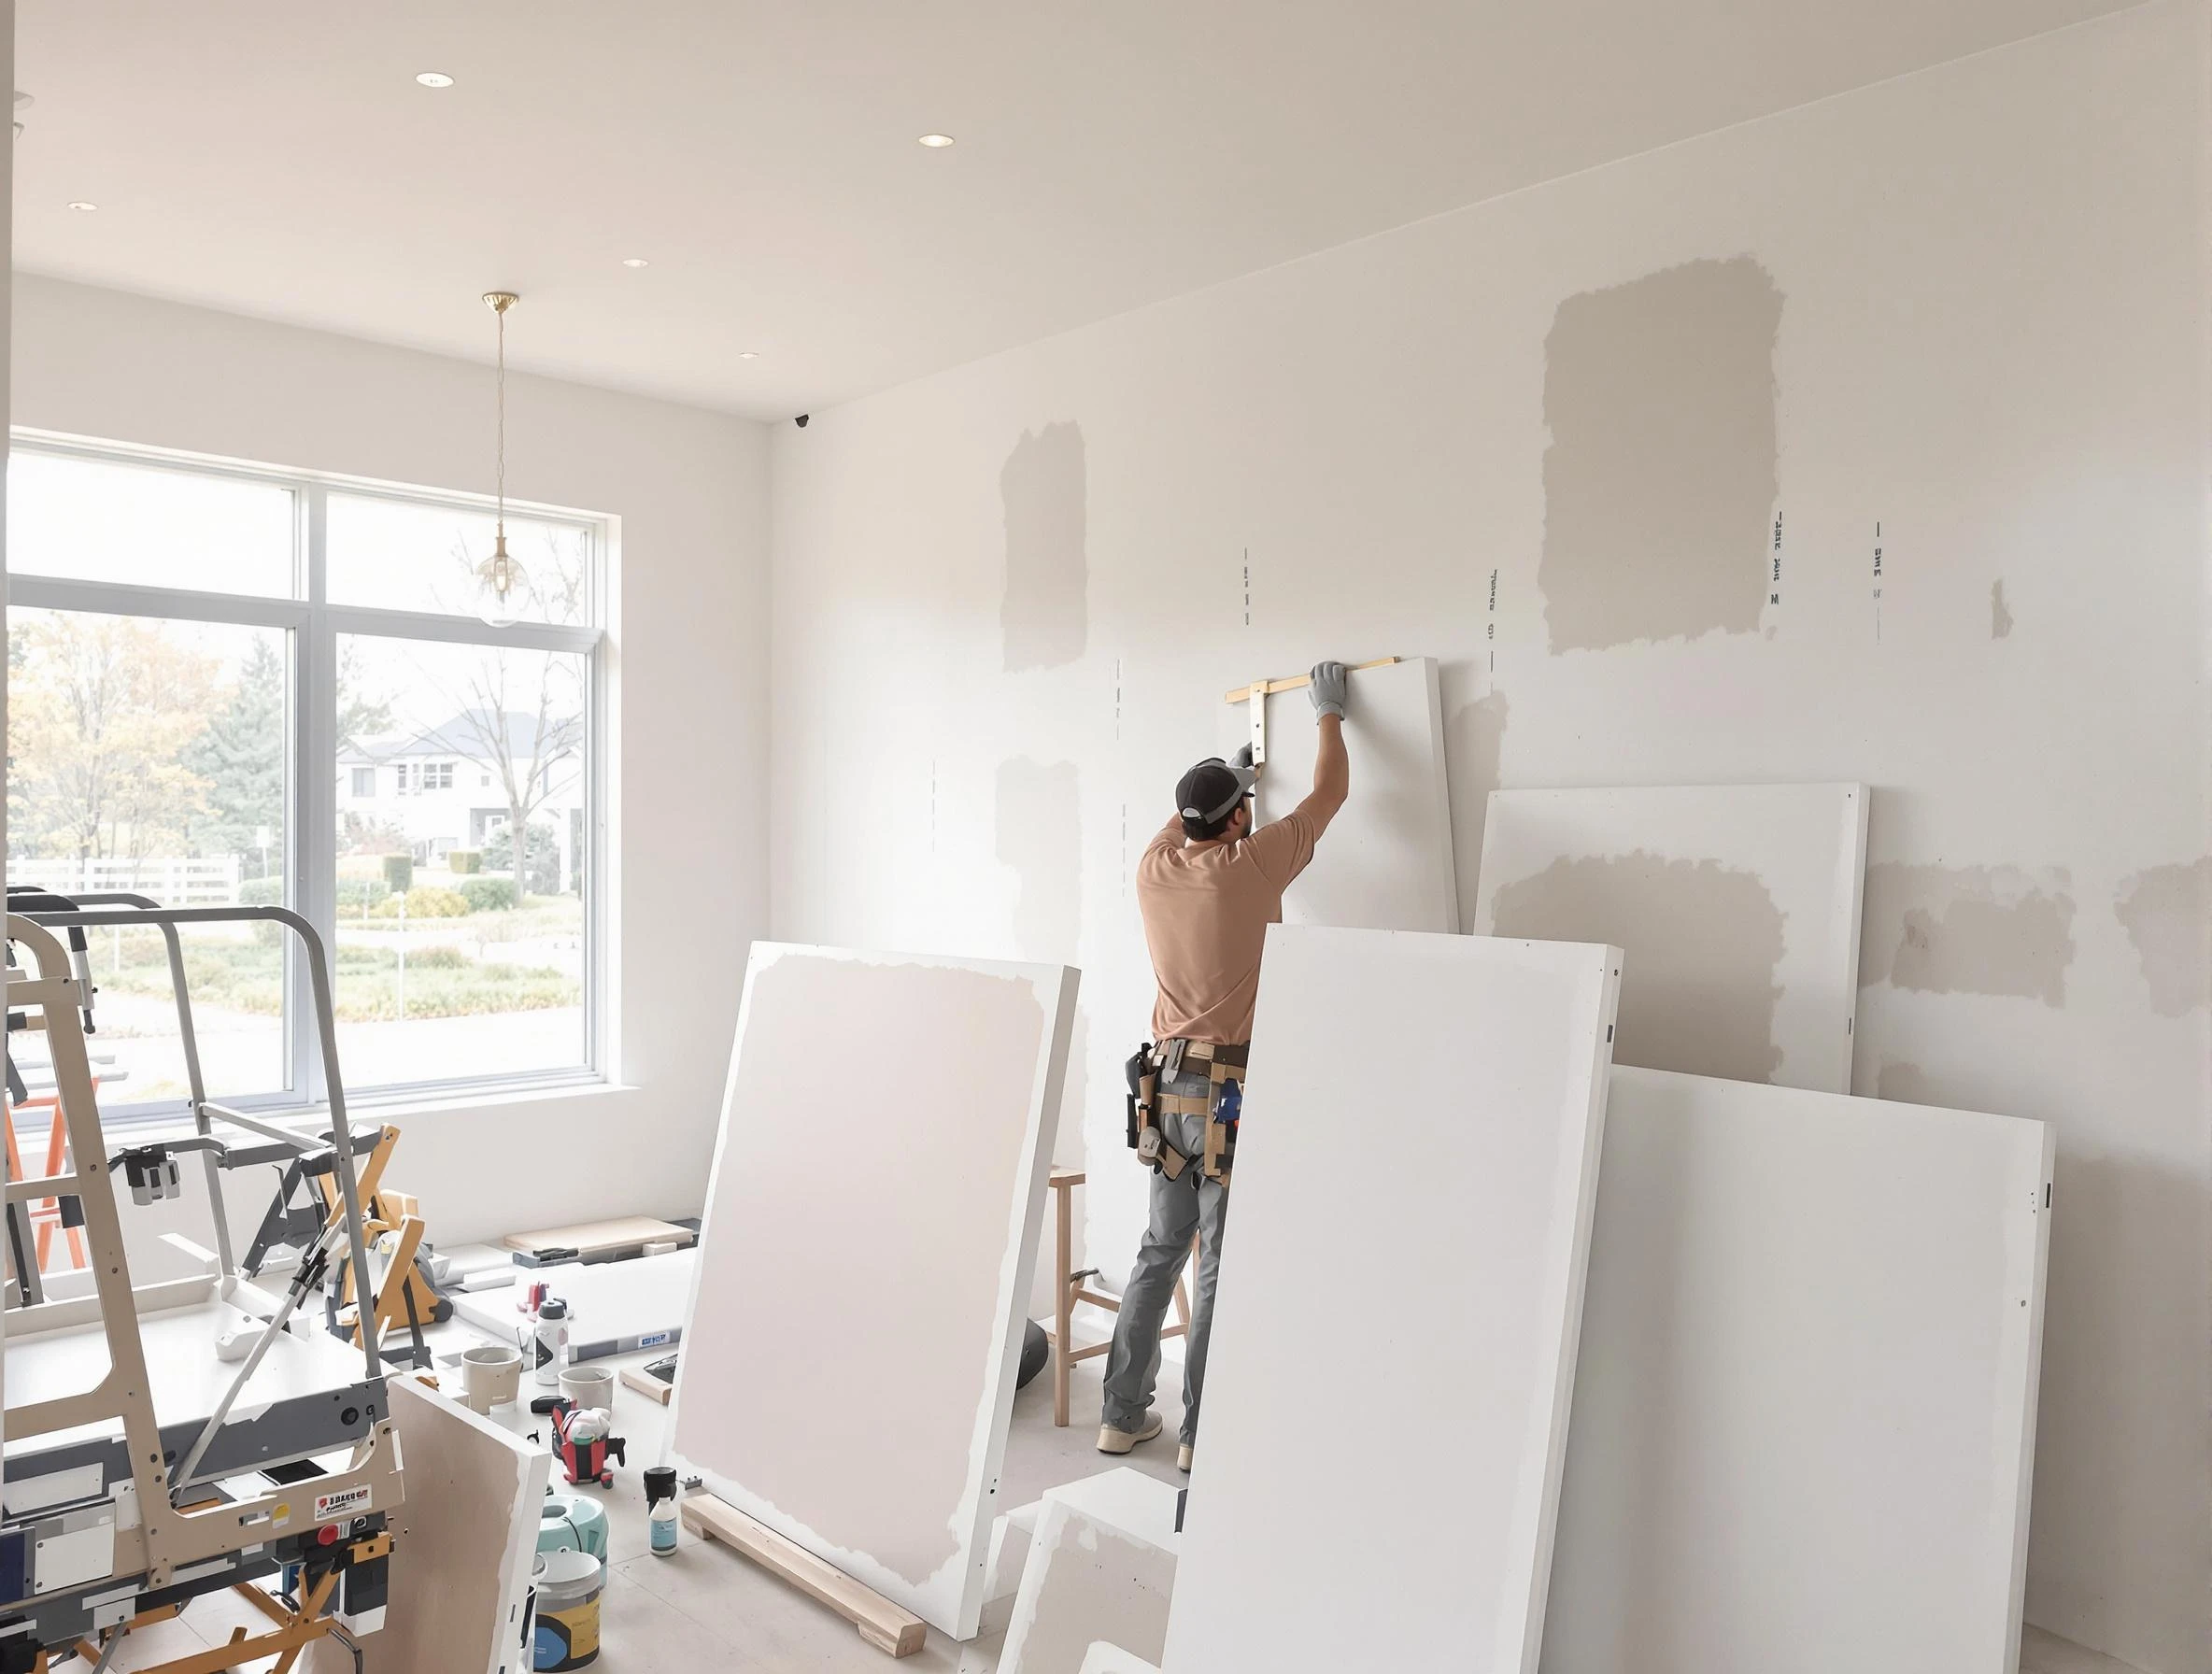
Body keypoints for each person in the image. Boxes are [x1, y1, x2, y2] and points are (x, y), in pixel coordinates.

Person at [1098, 660, 1353, 1471]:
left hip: (1162, 1089)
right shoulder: (1255, 865)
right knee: (1219, 1265)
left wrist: (1226, 784)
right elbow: (1327, 798)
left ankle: (1120, 1414)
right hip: (1231, 1093)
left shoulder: (1153, 870)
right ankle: (1200, 1436)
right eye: (1244, 807)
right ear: (1241, 820)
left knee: (1157, 1251)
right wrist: (1328, 718)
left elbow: (1186, 821)